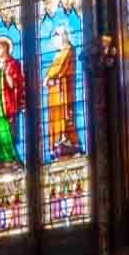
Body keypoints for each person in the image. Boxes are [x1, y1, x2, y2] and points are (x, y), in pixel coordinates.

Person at [0, 23, 26, 169]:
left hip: (6, 104)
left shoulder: (13, 64)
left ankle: (11, 158)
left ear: (7, 48)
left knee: (5, 131)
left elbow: (15, 84)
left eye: (1, 47)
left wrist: (7, 73)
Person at [43, 27, 80, 160]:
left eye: (56, 37)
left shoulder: (68, 51)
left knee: (65, 115)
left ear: (64, 36)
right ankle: (58, 142)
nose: (55, 41)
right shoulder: (60, 53)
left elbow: (60, 69)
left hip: (63, 89)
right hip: (55, 92)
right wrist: (48, 78)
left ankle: (65, 140)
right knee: (56, 115)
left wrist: (48, 78)